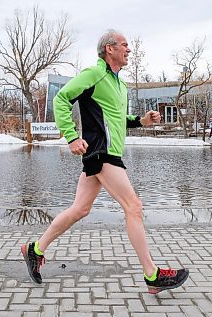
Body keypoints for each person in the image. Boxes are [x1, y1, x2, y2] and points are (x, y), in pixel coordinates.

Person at [21, 29, 189, 294]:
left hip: (107, 152)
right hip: (100, 152)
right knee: (133, 206)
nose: (129, 50)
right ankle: (152, 274)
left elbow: (115, 118)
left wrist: (141, 121)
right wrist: (71, 136)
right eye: (124, 45)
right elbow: (61, 98)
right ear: (109, 48)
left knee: (80, 209)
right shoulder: (94, 74)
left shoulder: (120, 84)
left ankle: (35, 249)